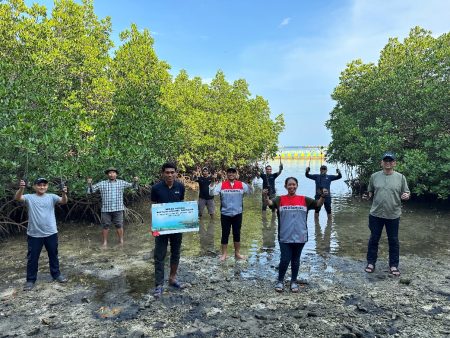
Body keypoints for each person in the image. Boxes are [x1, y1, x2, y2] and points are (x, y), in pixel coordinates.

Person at [264, 177, 328, 293]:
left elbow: (318, 204)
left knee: (295, 259)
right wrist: (265, 196)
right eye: (289, 185)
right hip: (284, 236)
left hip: (300, 236)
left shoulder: (304, 199)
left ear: (297, 186)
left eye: (294, 184)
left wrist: (323, 196)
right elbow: (269, 203)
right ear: (285, 186)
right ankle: (280, 280)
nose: (291, 187)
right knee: (284, 259)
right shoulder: (280, 199)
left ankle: (294, 281)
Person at [15, 177, 69, 291]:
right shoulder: (29, 197)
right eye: (39, 185)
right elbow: (18, 198)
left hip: (51, 232)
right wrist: (21, 188)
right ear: (34, 186)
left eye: (44, 185)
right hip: (34, 234)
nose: (42, 187)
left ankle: (56, 274)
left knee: (53, 255)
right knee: (32, 258)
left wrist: (64, 193)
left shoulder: (52, 197)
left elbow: (64, 201)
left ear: (47, 186)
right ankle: (30, 280)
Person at [364, 152, 410, 276]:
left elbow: (406, 192)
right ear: (382, 163)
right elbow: (370, 192)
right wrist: (366, 196)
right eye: (385, 160)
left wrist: (406, 195)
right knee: (374, 239)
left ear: (394, 163)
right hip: (375, 214)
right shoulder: (374, 176)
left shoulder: (401, 177)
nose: (388, 163)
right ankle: (371, 262)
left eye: (390, 161)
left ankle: (394, 265)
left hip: (393, 214)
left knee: (393, 241)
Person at [150, 162, 186, 298]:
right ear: (163, 173)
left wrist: (188, 221)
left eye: (172, 172)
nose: (170, 175)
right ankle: (158, 285)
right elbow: (153, 207)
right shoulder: (156, 188)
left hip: (177, 226)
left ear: (176, 173)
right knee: (159, 255)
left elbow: (182, 205)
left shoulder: (181, 187)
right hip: (161, 226)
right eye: (167, 172)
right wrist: (153, 226)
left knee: (176, 252)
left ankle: (172, 279)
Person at [87, 167, 138, 248]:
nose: (111, 174)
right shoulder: (102, 183)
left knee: (119, 225)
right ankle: (105, 242)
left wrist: (135, 181)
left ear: (116, 174)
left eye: (113, 173)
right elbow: (91, 191)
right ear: (107, 175)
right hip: (106, 209)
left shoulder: (121, 182)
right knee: (105, 226)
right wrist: (89, 184)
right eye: (110, 173)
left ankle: (121, 241)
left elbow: (133, 187)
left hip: (118, 209)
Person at [209, 167, 252, 261]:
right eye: (229, 172)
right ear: (227, 174)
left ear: (236, 174)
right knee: (225, 234)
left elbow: (250, 192)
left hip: (238, 213)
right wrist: (212, 181)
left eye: (233, 172)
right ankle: (224, 254)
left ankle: (237, 253)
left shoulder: (241, 184)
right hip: (225, 214)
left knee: (237, 234)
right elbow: (212, 193)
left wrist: (249, 182)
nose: (231, 174)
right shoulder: (221, 184)